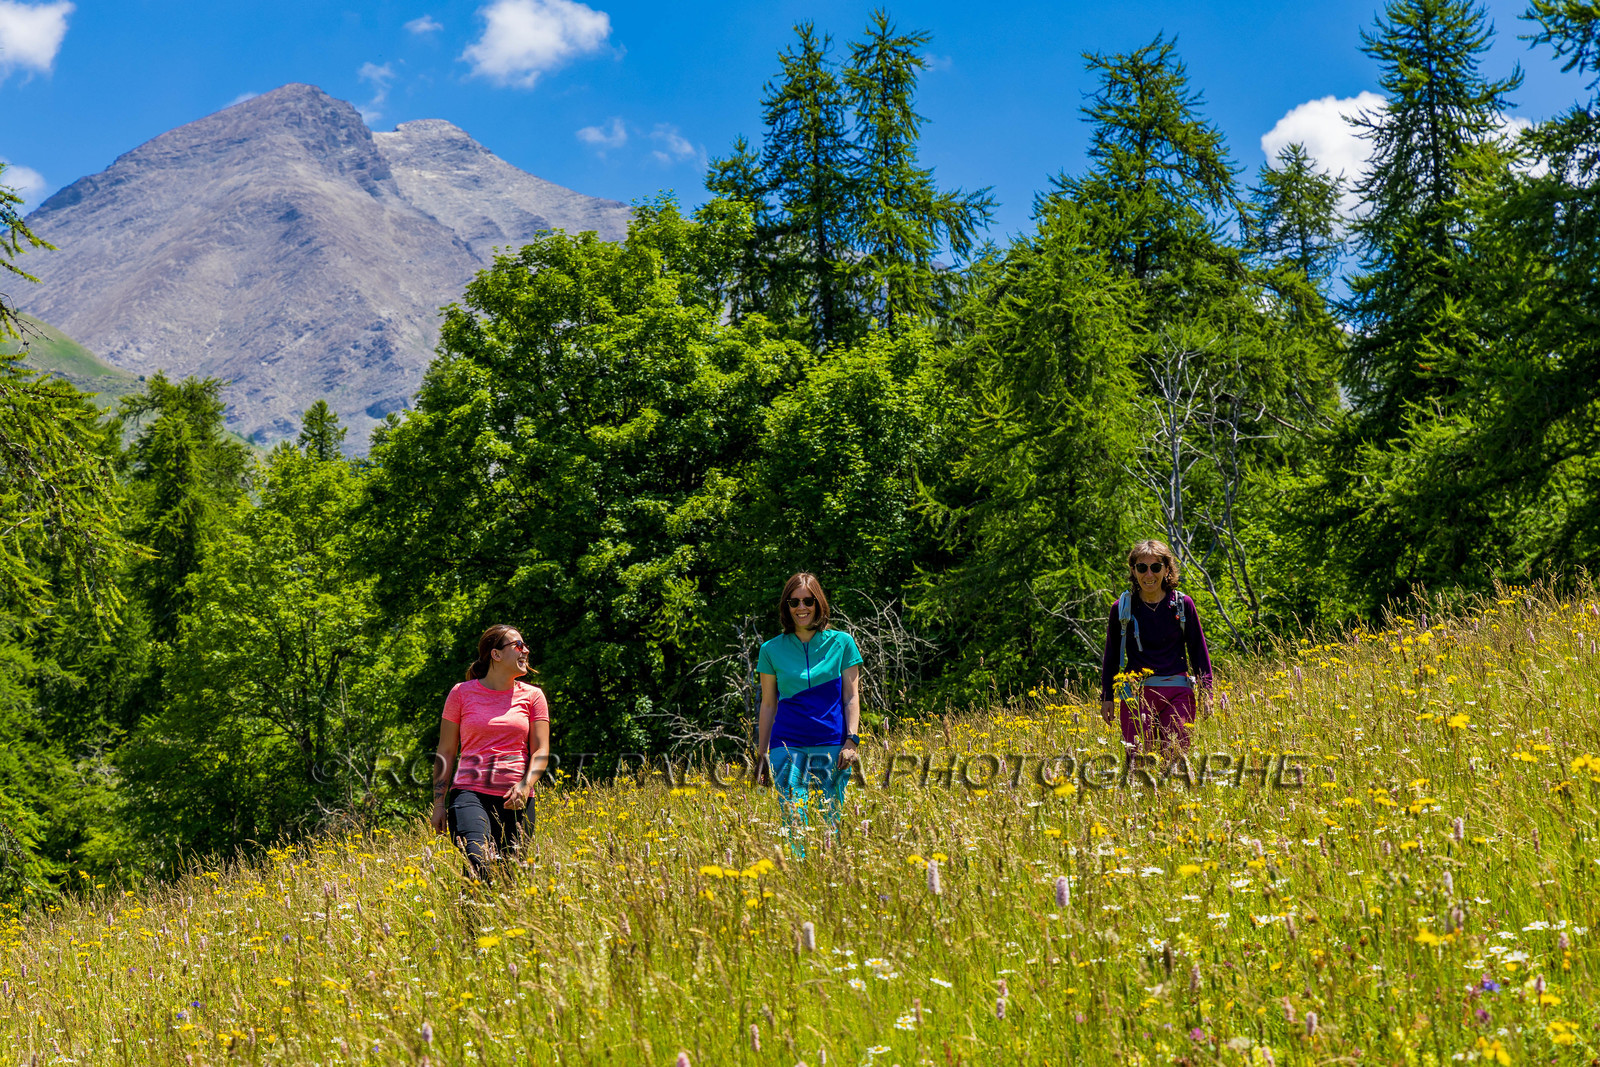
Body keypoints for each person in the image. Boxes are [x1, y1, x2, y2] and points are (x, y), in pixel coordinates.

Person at [429, 624, 551, 881]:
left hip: (517, 798)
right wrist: (439, 803)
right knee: (479, 861)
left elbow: (541, 750)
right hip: (469, 794)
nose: (525, 650)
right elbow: (446, 750)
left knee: (508, 878)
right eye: (518, 645)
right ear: (496, 654)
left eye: (525, 645)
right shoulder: (461, 693)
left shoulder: (533, 696)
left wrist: (526, 785)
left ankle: (469, 919)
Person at [756, 573, 862, 854]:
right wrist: (761, 754)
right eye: (794, 602)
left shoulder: (842, 643)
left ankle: (830, 880)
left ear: (818, 603)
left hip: (832, 744)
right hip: (786, 746)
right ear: (786, 606)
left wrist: (852, 740)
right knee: (794, 819)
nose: (801, 607)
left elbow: (851, 696)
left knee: (830, 821)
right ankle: (798, 879)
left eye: (807, 600)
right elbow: (768, 704)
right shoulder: (770, 649)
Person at [1098, 540, 1213, 757]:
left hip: (1178, 693)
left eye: (1156, 567)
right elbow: (1111, 656)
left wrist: (1207, 693)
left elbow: (1199, 650)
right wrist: (1107, 697)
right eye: (1142, 567)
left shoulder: (1182, 604)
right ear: (1133, 570)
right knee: (1138, 762)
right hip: (1136, 696)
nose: (1148, 574)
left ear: (1166, 570)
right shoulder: (1122, 608)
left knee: (1175, 758)